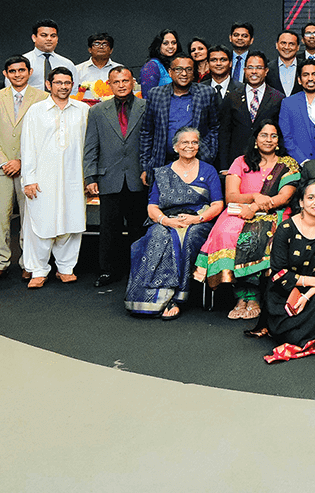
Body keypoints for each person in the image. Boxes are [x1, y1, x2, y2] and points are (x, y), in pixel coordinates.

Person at [195, 122, 300, 322]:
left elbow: (284, 197)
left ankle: (253, 296)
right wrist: (254, 196)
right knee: (226, 232)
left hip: (274, 213)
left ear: (278, 141)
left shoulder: (288, 164)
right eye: (263, 135)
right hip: (238, 212)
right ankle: (241, 296)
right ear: (255, 139)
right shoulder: (241, 162)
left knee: (257, 235)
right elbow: (231, 196)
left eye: (273, 136)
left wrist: (255, 207)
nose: (269, 140)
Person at [126, 127, 223, 319]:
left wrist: (197, 219)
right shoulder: (163, 173)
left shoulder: (208, 170)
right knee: (157, 235)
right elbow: (152, 206)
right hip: (167, 220)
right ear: (176, 147)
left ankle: (177, 297)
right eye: (185, 142)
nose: (190, 146)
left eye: (194, 142)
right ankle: (153, 297)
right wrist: (166, 221)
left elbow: (217, 204)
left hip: (198, 221)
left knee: (189, 236)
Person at [261, 177, 315, 362]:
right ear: (301, 201)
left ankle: (308, 330)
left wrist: (307, 295)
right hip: (285, 291)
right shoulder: (286, 228)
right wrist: (309, 282)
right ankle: (306, 331)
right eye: (310, 198)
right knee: (291, 337)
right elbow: (278, 273)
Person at [19, 67, 88, 288]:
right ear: (49, 85)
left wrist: (89, 178)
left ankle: (66, 268)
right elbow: (27, 146)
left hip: (74, 176)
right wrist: (28, 178)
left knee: (71, 221)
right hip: (42, 177)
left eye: (67, 83)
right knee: (40, 222)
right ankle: (38, 270)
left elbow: (89, 146)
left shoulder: (83, 110)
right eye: (58, 82)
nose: (63, 87)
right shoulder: (36, 111)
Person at [0, 56, 45, 281]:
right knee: (0, 218)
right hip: (0, 168)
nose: (17, 74)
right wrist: (4, 161)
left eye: (21, 70)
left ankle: (29, 261)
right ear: (6, 73)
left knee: (30, 217)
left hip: (30, 169)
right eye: (12, 71)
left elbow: (42, 136)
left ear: (30, 71)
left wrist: (21, 161)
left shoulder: (42, 97)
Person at [83, 65, 148, 287]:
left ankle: (139, 269)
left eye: (125, 81)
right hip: (108, 178)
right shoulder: (97, 111)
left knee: (138, 228)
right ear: (109, 85)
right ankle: (108, 271)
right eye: (116, 82)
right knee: (108, 229)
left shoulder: (145, 107)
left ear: (133, 83)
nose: (121, 85)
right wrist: (90, 177)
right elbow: (91, 146)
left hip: (138, 178)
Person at [139, 54, 220, 172]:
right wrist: (146, 166)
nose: (184, 74)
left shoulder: (206, 93)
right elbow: (147, 131)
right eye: (178, 69)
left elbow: (214, 127)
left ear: (194, 72)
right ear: (170, 72)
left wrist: (209, 153)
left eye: (188, 69)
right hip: (163, 162)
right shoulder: (156, 94)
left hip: (198, 162)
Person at [217, 51, 282, 171]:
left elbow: (280, 135)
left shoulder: (278, 98)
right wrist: (224, 167)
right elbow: (224, 134)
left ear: (266, 71)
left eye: (259, 68)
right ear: (245, 70)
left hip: (267, 163)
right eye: (250, 67)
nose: (254, 72)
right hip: (236, 162)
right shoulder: (232, 97)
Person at [23, 19, 75, 90]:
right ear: (34, 38)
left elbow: (74, 91)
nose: (49, 39)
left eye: (53, 36)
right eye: (44, 35)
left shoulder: (67, 64)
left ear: (57, 39)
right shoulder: (22, 62)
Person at [73, 32, 121, 104]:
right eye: (97, 44)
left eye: (105, 44)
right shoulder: (77, 70)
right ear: (90, 49)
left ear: (111, 50)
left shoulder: (120, 70)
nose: (101, 47)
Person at [139, 30, 180, 95]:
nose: (171, 46)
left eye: (173, 43)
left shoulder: (177, 63)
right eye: (165, 43)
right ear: (159, 46)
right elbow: (147, 97)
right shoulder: (151, 66)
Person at [273, 30, 302, 95]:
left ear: (298, 47)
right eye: (283, 43)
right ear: (277, 45)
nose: (287, 47)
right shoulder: (268, 68)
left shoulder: (305, 67)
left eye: (291, 44)